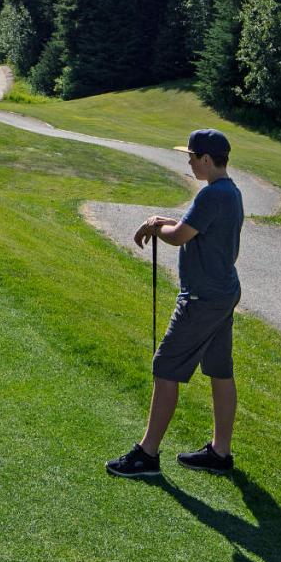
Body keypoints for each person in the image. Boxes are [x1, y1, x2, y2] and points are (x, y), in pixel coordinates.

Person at [106, 128, 244, 479]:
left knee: (166, 367)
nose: (188, 161)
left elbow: (181, 235)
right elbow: (193, 227)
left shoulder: (212, 195)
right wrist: (160, 221)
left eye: (191, 156)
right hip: (223, 293)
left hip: (201, 299)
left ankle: (147, 454)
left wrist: (158, 230)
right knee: (220, 370)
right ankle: (220, 452)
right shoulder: (230, 193)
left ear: (207, 160)